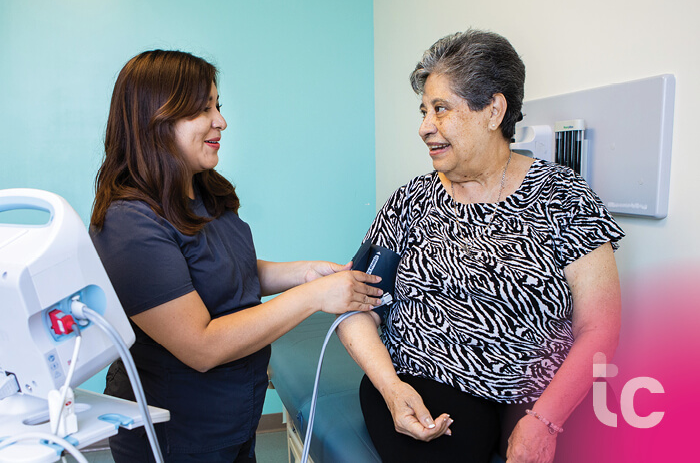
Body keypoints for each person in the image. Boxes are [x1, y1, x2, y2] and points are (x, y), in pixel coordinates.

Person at [336, 30, 624, 463]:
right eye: (424, 111)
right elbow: (355, 306)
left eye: (441, 109)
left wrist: (546, 421)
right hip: (426, 381)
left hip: (541, 389)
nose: (424, 127)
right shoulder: (409, 202)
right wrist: (392, 389)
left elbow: (600, 326)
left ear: (493, 110)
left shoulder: (565, 197)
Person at [89, 49, 383, 462]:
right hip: (178, 436)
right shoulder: (128, 224)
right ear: (155, 120)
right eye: (202, 109)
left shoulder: (203, 190)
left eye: (217, 106)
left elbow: (224, 271)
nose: (221, 121)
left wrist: (302, 274)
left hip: (233, 421)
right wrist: (313, 298)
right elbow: (201, 345)